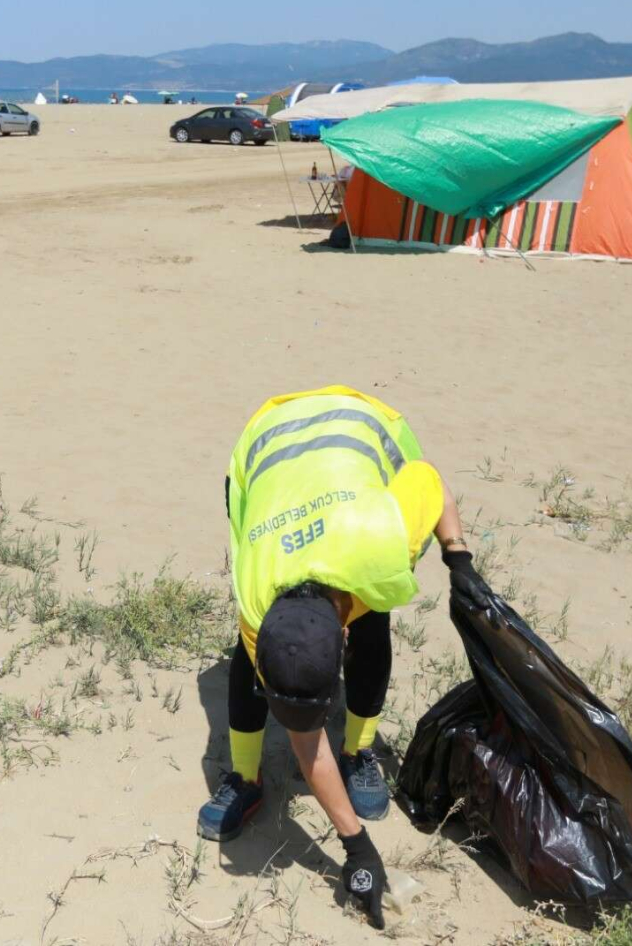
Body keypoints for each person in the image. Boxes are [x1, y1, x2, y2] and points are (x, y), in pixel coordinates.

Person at [196, 384, 494, 929]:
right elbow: (307, 744)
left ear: (340, 637)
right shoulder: (254, 588)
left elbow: (431, 481)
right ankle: (245, 777)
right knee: (246, 660)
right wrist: (358, 848)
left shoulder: (383, 536)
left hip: (361, 429)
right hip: (264, 449)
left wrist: (459, 557)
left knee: (375, 620)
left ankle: (359, 752)